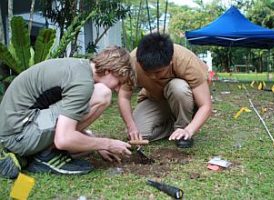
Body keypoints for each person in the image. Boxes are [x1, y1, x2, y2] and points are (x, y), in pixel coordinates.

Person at [0, 46, 134, 179]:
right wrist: (108, 144)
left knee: (86, 141)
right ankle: (45, 156)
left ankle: (32, 153)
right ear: (108, 71)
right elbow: (63, 139)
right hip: (19, 135)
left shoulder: (80, 67)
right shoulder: (83, 83)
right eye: (118, 82)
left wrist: (95, 144)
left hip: (19, 126)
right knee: (102, 94)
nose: (117, 89)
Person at [118, 33, 212, 145]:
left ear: (170, 62)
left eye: (158, 72)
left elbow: (205, 105)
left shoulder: (187, 61)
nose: (153, 76)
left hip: (183, 99)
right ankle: (173, 126)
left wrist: (189, 130)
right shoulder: (132, 61)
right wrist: (131, 126)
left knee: (178, 87)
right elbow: (124, 95)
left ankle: (183, 128)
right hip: (155, 99)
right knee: (139, 135)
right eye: (147, 72)